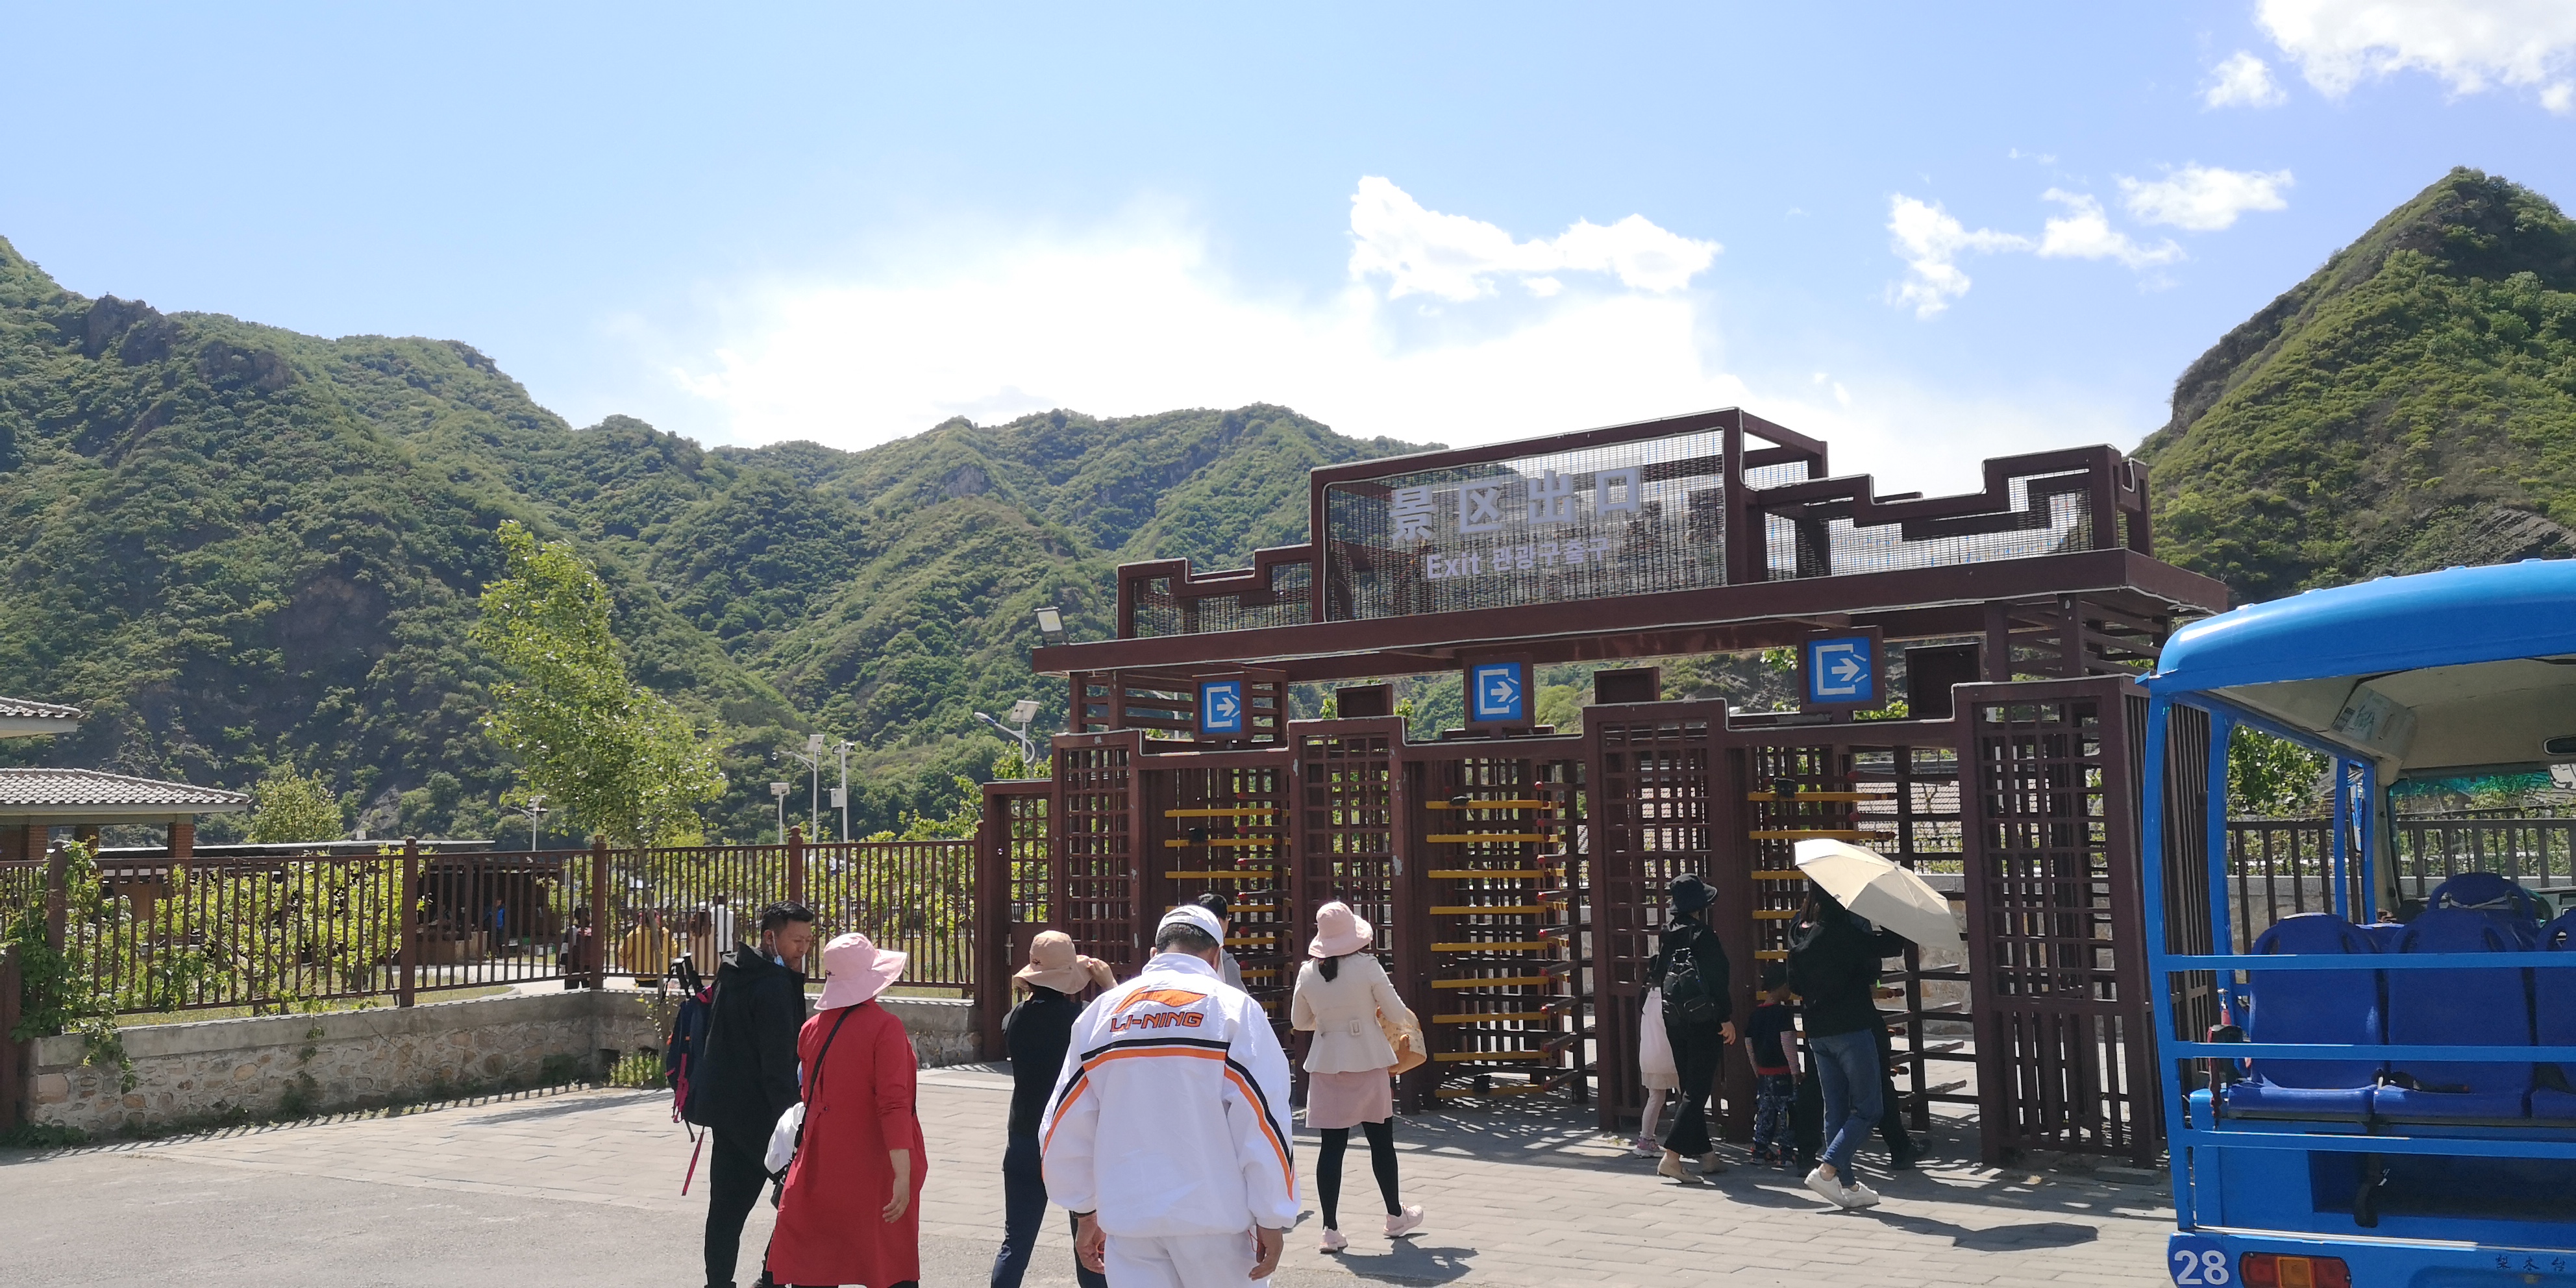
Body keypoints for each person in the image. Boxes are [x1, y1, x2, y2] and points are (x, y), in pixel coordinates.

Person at [1043, 904, 1296, 1287]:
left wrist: (1084, 1208)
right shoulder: (1233, 1010)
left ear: (1154, 954)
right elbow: (1264, 1120)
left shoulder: (1101, 1014)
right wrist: (1273, 1214)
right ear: (1215, 956)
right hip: (1216, 1220)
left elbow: (1064, 1122)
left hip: (1129, 1218)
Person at [765, 932, 927, 1288]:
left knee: (818, 1268)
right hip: (874, 1166)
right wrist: (904, 1175)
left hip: (821, 1164)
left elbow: (811, 1096)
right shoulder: (885, 1028)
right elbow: (893, 1106)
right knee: (887, 1267)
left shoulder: (811, 1030)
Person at [1290, 900, 1425, 1252]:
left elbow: (1299, 1022)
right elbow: (1396, 1012)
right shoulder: (1368, 966)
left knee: (1331, 1149)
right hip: (1367, 1059)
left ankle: (1330, 1230)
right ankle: (1395, 1216)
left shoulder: (1307, 972)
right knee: (1382, 1143)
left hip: (1325, 1064)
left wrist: (1331, 1020)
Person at [696, 901, 815, 1288]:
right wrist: (795, 1122)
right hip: (765, 1119)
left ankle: (719, 1283)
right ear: (770, 938)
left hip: (728, 1114)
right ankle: (770, 1278)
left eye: (809, 941)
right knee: (796, 1206)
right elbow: (779, 1066)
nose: (804, 949)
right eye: (796, 940)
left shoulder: (734, 972)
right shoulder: (774, 986)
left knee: (726, 1213)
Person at [993, 932, 1116, 1288]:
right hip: (1070, 1136)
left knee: (1016, 1241)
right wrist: (1107, 985)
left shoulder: (1013, 1019)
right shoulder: (1079, 1022)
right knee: (1089, 1238)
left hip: (1023, 1136)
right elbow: (1118, 1029)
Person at [1788, 885, 1909, 1209]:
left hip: (1817, 1032)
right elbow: (1890, 949)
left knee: (1836, 1109)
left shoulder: (1800, 936)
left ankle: (1849, 1185)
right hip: (1852, 1029)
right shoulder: (1850, 935)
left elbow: (1795, 984)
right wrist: (1890, 911)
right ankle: (1827, 1170)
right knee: (1870, 1108)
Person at [1646, 873, 1737, 1180]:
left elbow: (1658, 973)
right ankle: (1672, 1157)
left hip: (1674, 1017)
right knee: (1698, 1090)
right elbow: (1717, 979)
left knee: (1689, 1087)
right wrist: (1725, 1018)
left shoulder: (1667, 933)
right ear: (1701, 906)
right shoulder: (1704, 935)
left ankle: (1707, 1155)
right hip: (1703, 1019)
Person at [1745, 965, 1798, 1167]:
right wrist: (1795, 1071)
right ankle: (1786, 1153)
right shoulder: (1783, 1014)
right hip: (1783, 1072)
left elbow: (1749, 1044)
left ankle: (1759, 1150)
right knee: (1787, 1115)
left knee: (1765, 1113)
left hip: (1764, 1073)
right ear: (1782, 986)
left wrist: (1756, 1069)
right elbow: (1787, 1041)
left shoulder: (1755, 1015)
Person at [1631, 979, 1681, 1157]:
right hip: (1667, 1056)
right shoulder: (1667, 999)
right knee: (1688, 1098)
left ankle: (1645, 1140)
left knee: (1655, 1098)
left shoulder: (1648, 998)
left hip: (1648, 1056)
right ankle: (1686, 1142)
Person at [1195, 891, 1246, 990]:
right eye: (1227, 918)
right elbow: (1240, 1000)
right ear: (1218, 920)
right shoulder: (1223, 959)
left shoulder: (1185, 950)